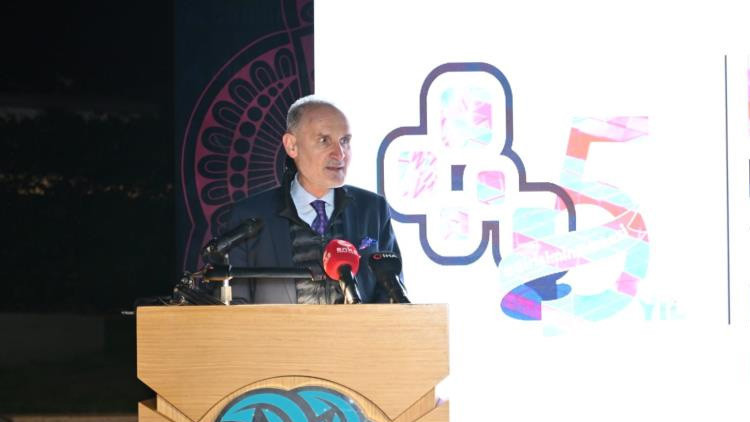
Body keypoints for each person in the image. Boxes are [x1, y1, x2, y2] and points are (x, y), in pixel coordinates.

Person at [221, 96, 402, 303]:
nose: (340, 154)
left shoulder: (373, 209)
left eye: (345, 141)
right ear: (292, 146)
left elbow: (391, 296)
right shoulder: (249, 216)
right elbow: (234, 306)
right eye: (324, 140)